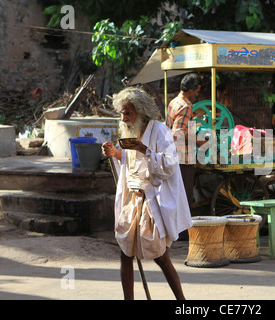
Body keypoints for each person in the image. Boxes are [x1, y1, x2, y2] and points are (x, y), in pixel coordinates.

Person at [102, 87, 192, 300]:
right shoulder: (127, 131)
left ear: (141, 113)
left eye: (128, 113)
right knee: (125, 254)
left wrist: (144, 149)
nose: (124, 119)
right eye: (122, 114)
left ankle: (182, 302)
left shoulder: (159, 130)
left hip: (152, 201)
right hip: (130, 199)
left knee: (160, 256)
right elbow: (128, 163)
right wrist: (115, 153)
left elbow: (169, 165)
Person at [165, 73, 202, 206]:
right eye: (197, 91)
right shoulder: (185, 107)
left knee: (173, 197)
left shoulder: (174, 102)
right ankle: (182, 227)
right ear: (191, 90)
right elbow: (178, 133)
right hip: (183, 160)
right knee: (183, 199)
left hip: (171, 155)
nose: (197, 94)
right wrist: (199, 141)